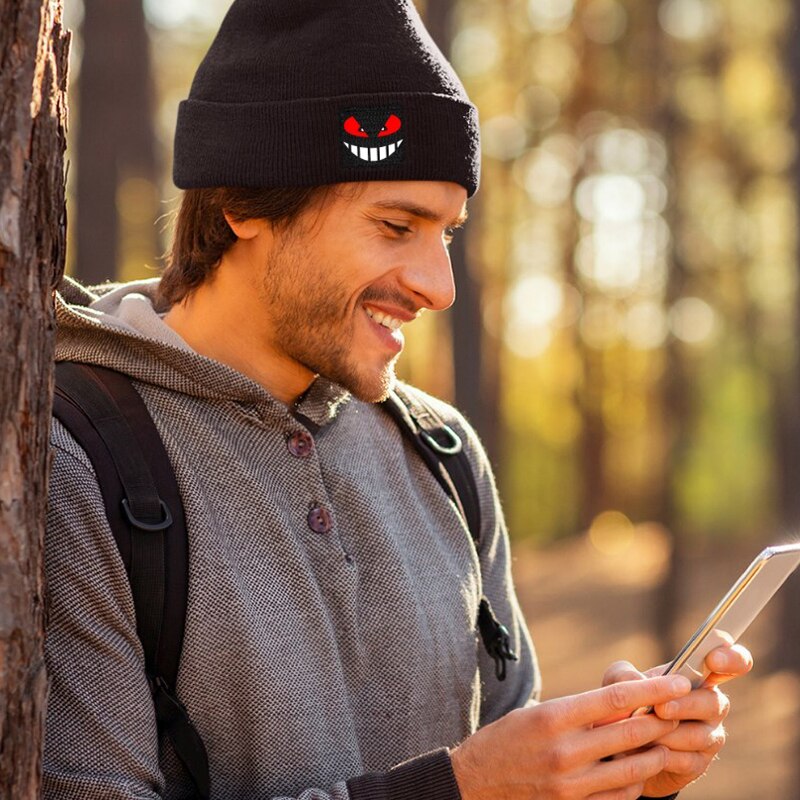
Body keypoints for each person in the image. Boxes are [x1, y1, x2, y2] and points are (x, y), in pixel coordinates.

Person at [43, 1, 751, 798]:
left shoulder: (441, 452)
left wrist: (617, 764)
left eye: (445, 232)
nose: (438, 287)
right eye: (395, 225)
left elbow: (502, 770)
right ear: (243, 201)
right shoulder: (74, 463)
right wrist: (457, 789)